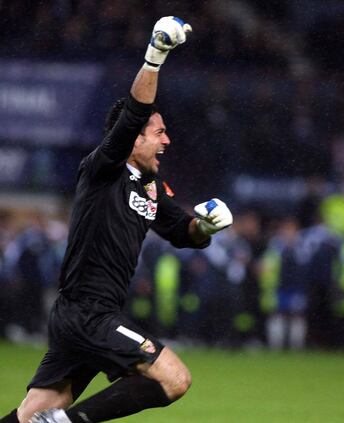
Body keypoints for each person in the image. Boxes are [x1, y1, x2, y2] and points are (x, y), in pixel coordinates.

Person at [0, 16, 233, 423]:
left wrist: (207, 228)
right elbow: (134, 112)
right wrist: (156, 56)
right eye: (158, 132)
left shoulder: (151, 188)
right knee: (174, 379)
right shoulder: (104, 169)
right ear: (133, 139)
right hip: (88, 313)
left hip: (84, 315)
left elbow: (184, 233)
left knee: (28, 416)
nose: (167, 141)